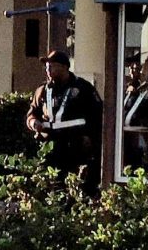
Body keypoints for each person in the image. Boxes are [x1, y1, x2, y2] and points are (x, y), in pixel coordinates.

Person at [25, 48, 104, 194]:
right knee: (51, 188)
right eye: (46, 66)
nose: (47, 69)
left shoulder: (83, 88)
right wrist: (33, 123)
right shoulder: (42, 90)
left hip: (75, 148)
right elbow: (32, 114)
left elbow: (99, 115)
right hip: (50, 148)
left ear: (64, 67)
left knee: (76, 188)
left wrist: (90, 138)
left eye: (52, 65)